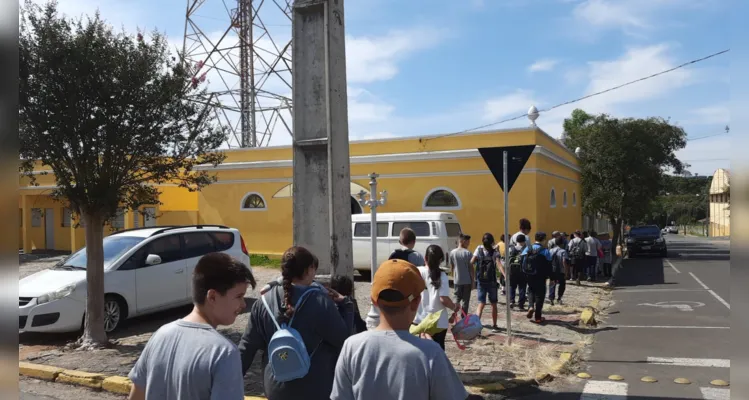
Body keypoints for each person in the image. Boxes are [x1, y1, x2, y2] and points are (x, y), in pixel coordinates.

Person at [330, 259, 470, 400]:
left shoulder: (352, 347)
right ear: (416, 302)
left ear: (374, 300)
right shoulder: (431, 353)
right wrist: (429, 346)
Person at [127, 253, 256, 400]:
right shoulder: (223, 352)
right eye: (239, 296)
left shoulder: (160, 335)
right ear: (212, 296)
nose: (244, 304)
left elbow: (136, 395)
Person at [238, 246, 354, 400]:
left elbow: (248, 345)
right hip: (314, 389)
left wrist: (228, 381)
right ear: (309, 269)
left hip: (275, 388)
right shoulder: (320, 302)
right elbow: (343, 339)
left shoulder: (263, 302)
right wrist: (346, 305)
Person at [414, 245, 461, 350]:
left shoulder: (418, 271)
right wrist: (454, 307)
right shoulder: (442, 275)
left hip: (421, 319)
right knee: (438, 350)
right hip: (439, 321)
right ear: (440, 261)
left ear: (425, 258)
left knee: (422, 350)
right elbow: (443, 299)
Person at [471, 233, 503, 333]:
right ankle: (494, 325)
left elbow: (471, 262)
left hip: (481, 280)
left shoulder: (479, 249)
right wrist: (505, 275)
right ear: (492, 241)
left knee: (481, 304)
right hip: (492, 281)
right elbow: (498, 264)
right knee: (494, 304)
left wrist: (473, 276)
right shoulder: (494, 251)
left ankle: (477, 326)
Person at [521, 232, 553, 324]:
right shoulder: (545, 251)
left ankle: (530, 306)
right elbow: (549, 265)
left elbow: (522, 261)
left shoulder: (528, 248)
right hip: (541, 276)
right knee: (540, 295)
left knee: (530, 290)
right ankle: (538, 317)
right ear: (543, 239)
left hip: (529, 274)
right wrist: (551, 278)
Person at [448, 233, 474, 315]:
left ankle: (454, 314)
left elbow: (452, 267)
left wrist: (453, 277)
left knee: (457, 298)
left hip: (457, 280)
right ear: (462, 241)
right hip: (467, 281)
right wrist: (473, 281)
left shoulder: (452, 253)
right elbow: (471, 269)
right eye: (468, 242)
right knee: (465, 301)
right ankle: (464, 318)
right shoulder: (468, 253)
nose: (469, 244)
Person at [507, 233, 527, 310]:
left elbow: (507, 259)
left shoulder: (510, 248)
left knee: (512, 286)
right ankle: (521, 304)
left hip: (512, 271)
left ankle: (512, 301)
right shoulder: (526, 249)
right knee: (522, 287)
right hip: (522, 271)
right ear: (523, 241)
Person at [548, 236, 570, 305]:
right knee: (562, 285)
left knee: (552, 284)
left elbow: (548, 260)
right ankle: (559, 298)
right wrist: (566, 272)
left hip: (552, 270)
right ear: (562, 243)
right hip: (561, 271)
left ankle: (551, 298)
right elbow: (564, 262)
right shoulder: (563, 251)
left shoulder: (551, 250)